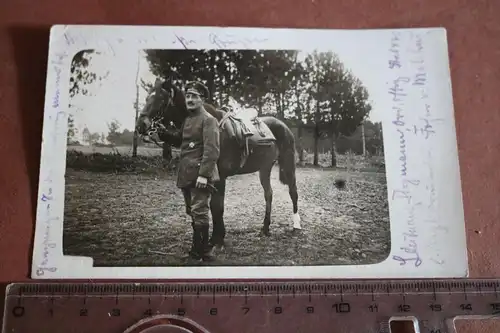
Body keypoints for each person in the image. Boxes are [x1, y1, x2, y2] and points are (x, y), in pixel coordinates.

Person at [176, 81, 220, 262]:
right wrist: (161, 134)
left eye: (194, 96)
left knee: (199, 211)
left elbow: (212, 150)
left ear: (202, 100)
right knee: (192, 211)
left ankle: (202, 252)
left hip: (200, 175)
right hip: (187, 173)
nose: (190, 100)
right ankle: (199, 249)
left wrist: (204, 174)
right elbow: (181, 140)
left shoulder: (209, 120)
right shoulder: (188, 119)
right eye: (188, 96)